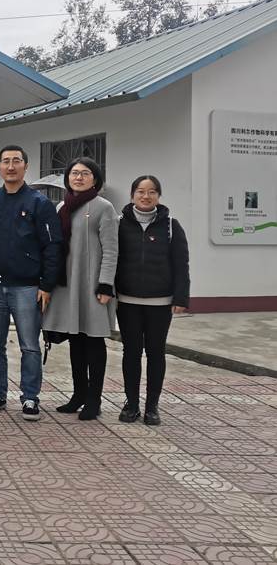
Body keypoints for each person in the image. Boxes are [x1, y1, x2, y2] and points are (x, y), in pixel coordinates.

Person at [0, 145, 62, 421]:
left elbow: (52, 247)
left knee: (29, 345)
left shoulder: (40, 204)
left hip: (27, 287)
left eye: (16, 161)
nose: (11, 166)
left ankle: (30, 397)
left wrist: (46, 285)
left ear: (26, 166)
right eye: (5, 161)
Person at [42, 157, 118, 421]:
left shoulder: (103, 207)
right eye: (74, 173)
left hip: (92, 285)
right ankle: (78, 395)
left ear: (95, 179)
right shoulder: (62, 206)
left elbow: (111, 249)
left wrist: (106, 284)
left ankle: (94, 400)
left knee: (93, 340)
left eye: (85, 173)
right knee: (75, 339)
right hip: (67, 285)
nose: (79, 177)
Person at [115, 175, 190, 426]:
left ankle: (152, 406)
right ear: (132, 195)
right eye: (140, 191)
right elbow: (111, 259)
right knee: (131, 352)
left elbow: (181, 264)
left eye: (152, 192)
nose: (145, 196)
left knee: (156, 353)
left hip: (160, 302)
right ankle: (132, 404)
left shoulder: (171, 226)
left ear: (158, 196)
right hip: (127, 301)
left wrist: (181, 296)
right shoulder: (119, 224)